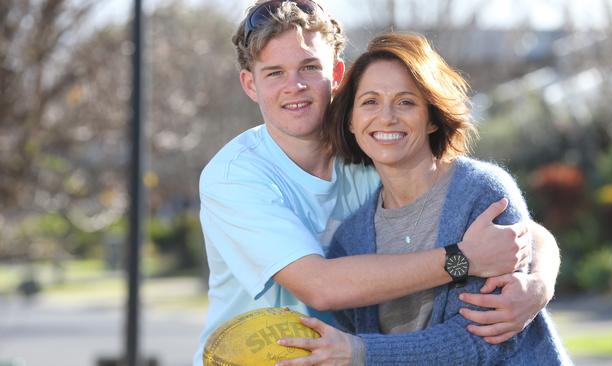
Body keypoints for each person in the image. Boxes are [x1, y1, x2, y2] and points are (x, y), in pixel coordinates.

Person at [195, 1, 561, 364]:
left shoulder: (378, 153)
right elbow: (321, 286)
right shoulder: (236, 177)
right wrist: (461, 260)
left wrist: (540, 283)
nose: (295, 86)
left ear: (336, 74)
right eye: (275, 73)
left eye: (309, 67)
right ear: (250, 83)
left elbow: (517, 228)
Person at [276, 32, 572, 365]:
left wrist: (361, 351)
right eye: (370, 101)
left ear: (431, 117)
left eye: (406, 101)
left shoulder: (483, 194)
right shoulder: (351, 239)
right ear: (351, 120)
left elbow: (485, 342)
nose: (387, 117)